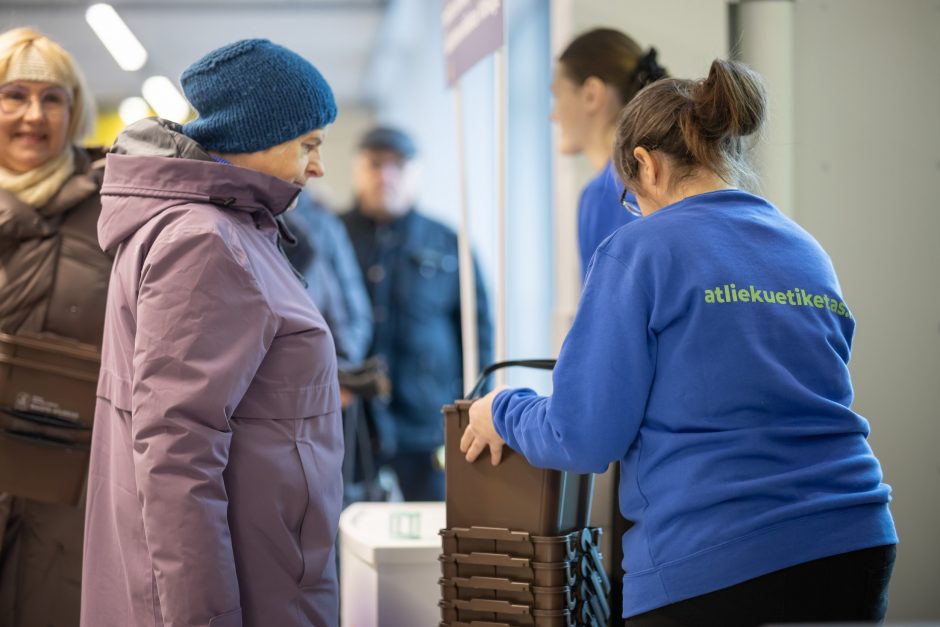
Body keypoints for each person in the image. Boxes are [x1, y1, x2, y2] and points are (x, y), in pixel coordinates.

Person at [462, 59, 897, 626]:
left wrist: (502, 410)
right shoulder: (805, 250)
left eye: (629, 196)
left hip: (714, 558)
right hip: (853, 543)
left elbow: (583, 435)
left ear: (645, 165)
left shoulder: (639, 250)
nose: (634, 210)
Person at [81, 39, 344, 627]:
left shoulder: (229, 229)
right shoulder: (206, 241)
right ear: (258, 135)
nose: (319, 166)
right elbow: (178, 456)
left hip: (267, 568)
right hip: (255, 587)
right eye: (309, 144)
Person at [0, 27, 106, 627]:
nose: (32, 115)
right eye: (13, 94)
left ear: (75, 110)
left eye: (52, 97)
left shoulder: (115, 211)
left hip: (74, 494)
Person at [342, 126, 493, 502]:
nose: (385, 176)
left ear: (416, 172)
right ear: (358, 169)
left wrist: (477, 410)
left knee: (434, 533)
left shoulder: (447, 241)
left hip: (427, 425)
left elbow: (478, 332)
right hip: (350, 425)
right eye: (375, 164)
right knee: (346, 534)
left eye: (398, 165)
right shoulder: (331, 237)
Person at [552, 28, 667, 279]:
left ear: (592, 95)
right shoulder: (664, 174)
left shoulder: (606, 191)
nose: (553, 114)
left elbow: (605, 313)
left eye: (557, 95)